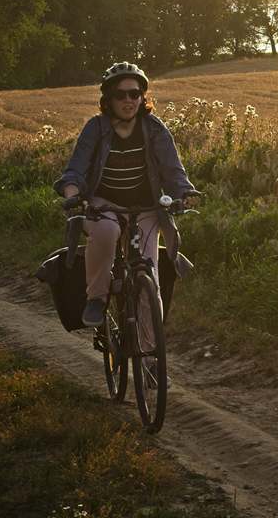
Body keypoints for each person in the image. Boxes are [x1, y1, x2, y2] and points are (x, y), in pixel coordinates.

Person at [53, 61, 197, 330]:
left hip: (145, 208)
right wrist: (73, 196)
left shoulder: (154, 129)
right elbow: (75, 171)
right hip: (103, 205)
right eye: (121, 94)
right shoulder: (96, 128)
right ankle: (96, 298)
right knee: (106, 232)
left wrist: (184, 193)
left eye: (135, 94)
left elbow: (173, 170)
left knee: (149, 280)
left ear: (143, 97)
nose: (128, 100)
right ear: (108, 99)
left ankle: (150, 359)